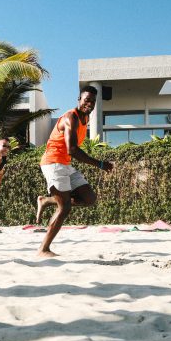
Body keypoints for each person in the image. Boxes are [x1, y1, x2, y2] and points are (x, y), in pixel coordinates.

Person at [35, 85, 113, 257]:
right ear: (79, 99)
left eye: (92, 101)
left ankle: (47, 200)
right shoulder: (71, 117)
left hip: (65, 164)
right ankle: (43, 249)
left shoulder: (85, 120)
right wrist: (99, 164)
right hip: (53, 162)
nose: (89, 104)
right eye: (86, 100)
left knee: (89, 198)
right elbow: (72, 149)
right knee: (65, 208)